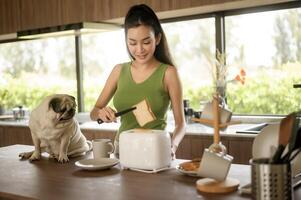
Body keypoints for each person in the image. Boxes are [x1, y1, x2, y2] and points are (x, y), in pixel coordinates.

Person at [90, 4, 185, 158]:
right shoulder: (119, 71)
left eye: (146, 42)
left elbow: (181, 124)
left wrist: (172, 147)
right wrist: (101, 113)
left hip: (155, 150)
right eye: (132, 43)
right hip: (122, 150)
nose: (139, 50)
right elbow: (93, 113)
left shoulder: (168, 73)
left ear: (158, 38)